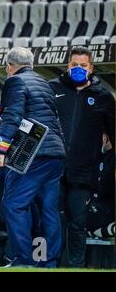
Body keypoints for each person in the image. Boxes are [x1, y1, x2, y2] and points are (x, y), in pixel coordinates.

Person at [0, 47, 66, 268]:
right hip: (55, 153)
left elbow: (12, 116)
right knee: (48, 209)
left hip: (33, 153)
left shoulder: (14, 82)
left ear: (10, 66)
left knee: (14, 204)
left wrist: (0, 149)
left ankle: (22, 260)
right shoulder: (45, 83)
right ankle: (48, 261)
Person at [49, 46, 115, 268]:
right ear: (68, 66)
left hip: (84, 172)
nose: (78, 69)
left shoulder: (103, 97)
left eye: (83, 66)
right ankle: (51, 263)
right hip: (53, 168)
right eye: (74, 65)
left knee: (77, 221)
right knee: (52, 218)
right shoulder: (52, 89)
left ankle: (75, 265)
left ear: (91, 68)